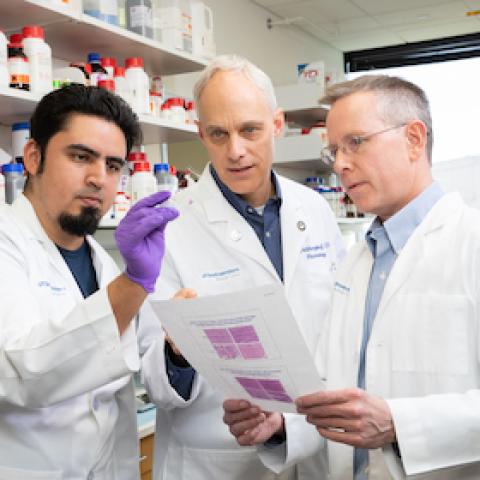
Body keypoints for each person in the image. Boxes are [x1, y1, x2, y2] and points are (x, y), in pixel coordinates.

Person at [223, 74, 480, 479]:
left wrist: (400, 424)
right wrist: (279, 425)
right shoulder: (357, 261)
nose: (341, 164)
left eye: (356, 142)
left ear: (414, 139)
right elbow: (333, 388)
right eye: (334, 151)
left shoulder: (471, 242)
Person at [139, 54, 345, 480]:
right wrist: (176, 353)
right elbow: (155, 382)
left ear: (277, 123)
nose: (235, 151)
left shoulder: (314, 208)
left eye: (250, 130)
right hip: (218, 460)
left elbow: (337, 329)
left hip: (315, 448)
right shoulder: (170, 228)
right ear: (200, 134)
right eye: (218, 134)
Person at [0, 84, 178, 479]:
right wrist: (134, 283)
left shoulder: (103, 263)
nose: (99, 178)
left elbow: (148, 367)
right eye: (81, 157)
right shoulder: (6, 243)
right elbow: (24, 372)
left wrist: (178, 350)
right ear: (33, 156)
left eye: (113, 165)